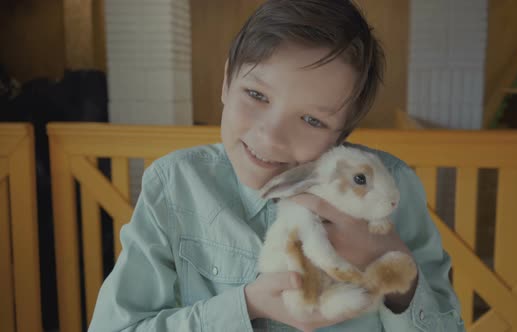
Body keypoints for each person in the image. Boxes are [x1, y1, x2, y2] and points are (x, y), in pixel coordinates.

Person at [89, 0, 464, 331]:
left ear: (340, 136)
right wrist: (246, 306)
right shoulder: (174, 183)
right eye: (256, 94)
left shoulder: (390, 189)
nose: (270, 138)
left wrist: (391, 263)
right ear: (226, 82)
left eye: (313, 121)